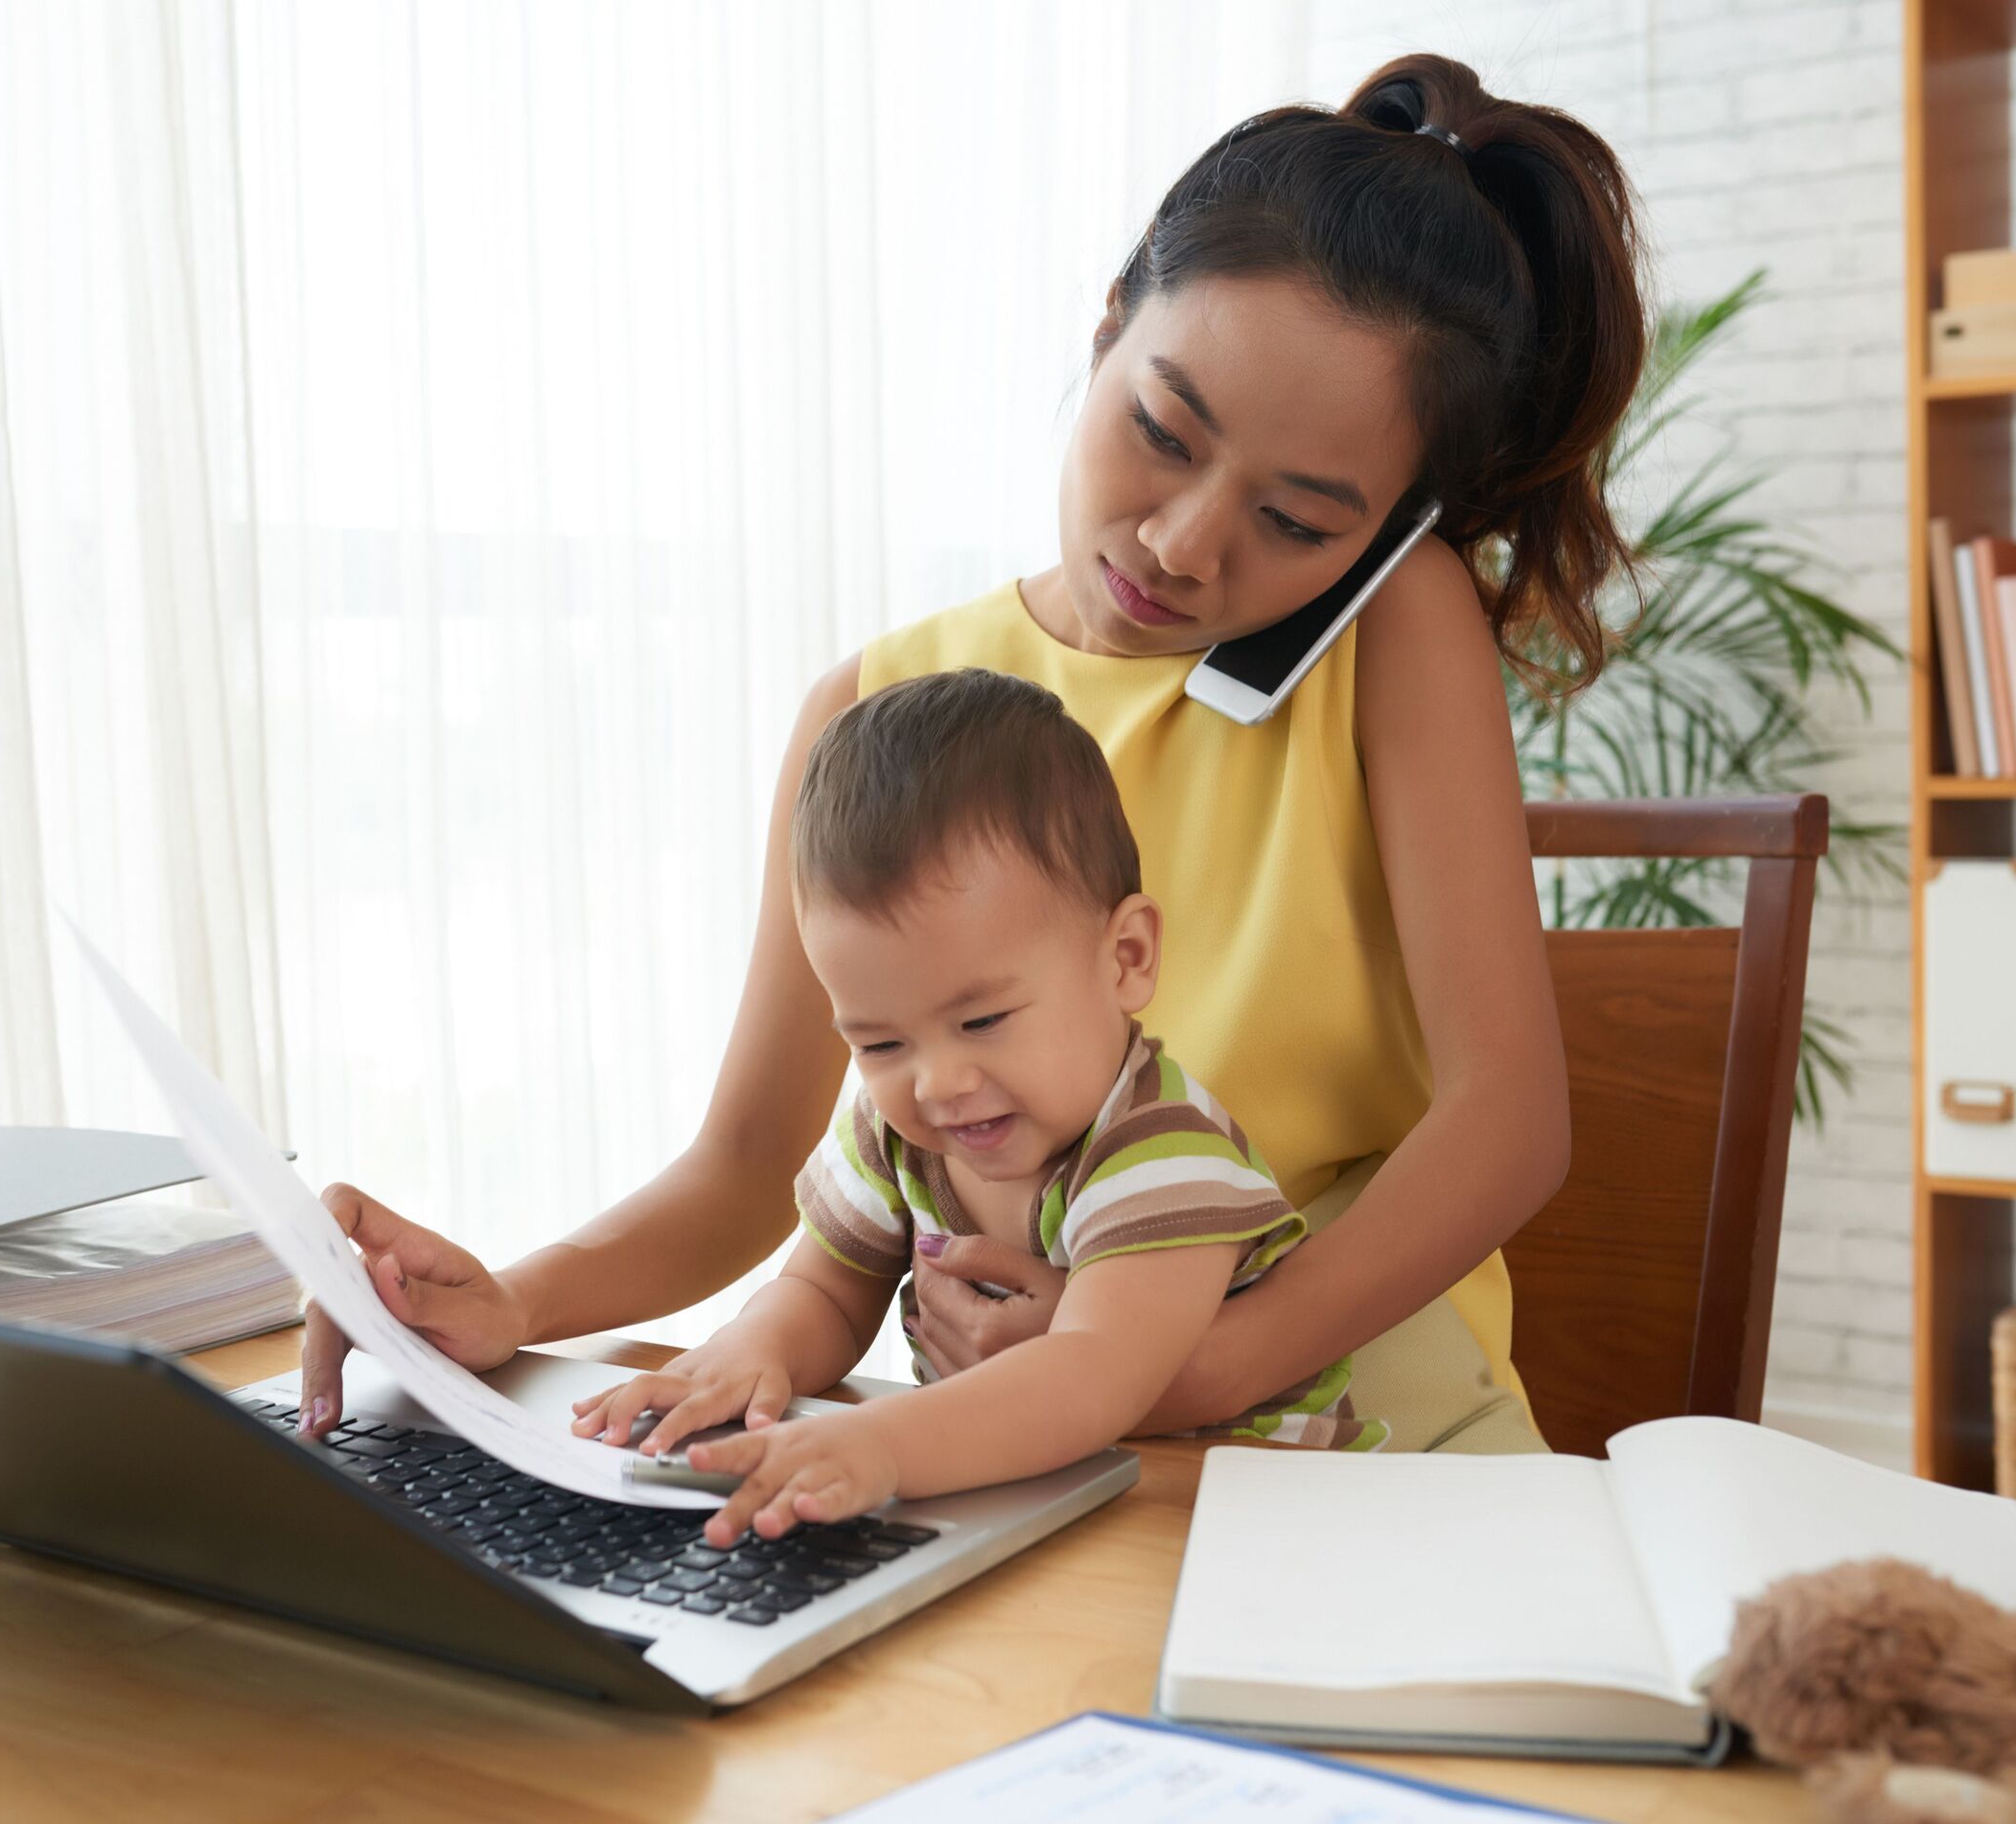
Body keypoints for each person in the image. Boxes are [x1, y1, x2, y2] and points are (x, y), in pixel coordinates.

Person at [301, 52, 1643, 1471]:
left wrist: (1184, 1367)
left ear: (1385, 526)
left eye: (1302, 521)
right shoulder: (871, 707)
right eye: (1161, 433)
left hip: (1361, 1453)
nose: (1185, 543)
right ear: (1108, 326)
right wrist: (511, 1299)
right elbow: (750, 1171)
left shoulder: (1397, 631)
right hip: (1025, 1454)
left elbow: (1507, 1122)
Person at [574, 667, 1382, 1543]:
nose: (936, 1083)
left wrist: (880, 1443)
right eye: (880, 1043)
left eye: (983, 1019)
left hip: (1254, 1519)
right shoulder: (897, 1134)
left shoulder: (1162, 1153)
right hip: (1051, 1493)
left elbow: (1089, 1376)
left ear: (1127, 958)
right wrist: (747, 1355)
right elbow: (826, 1293)